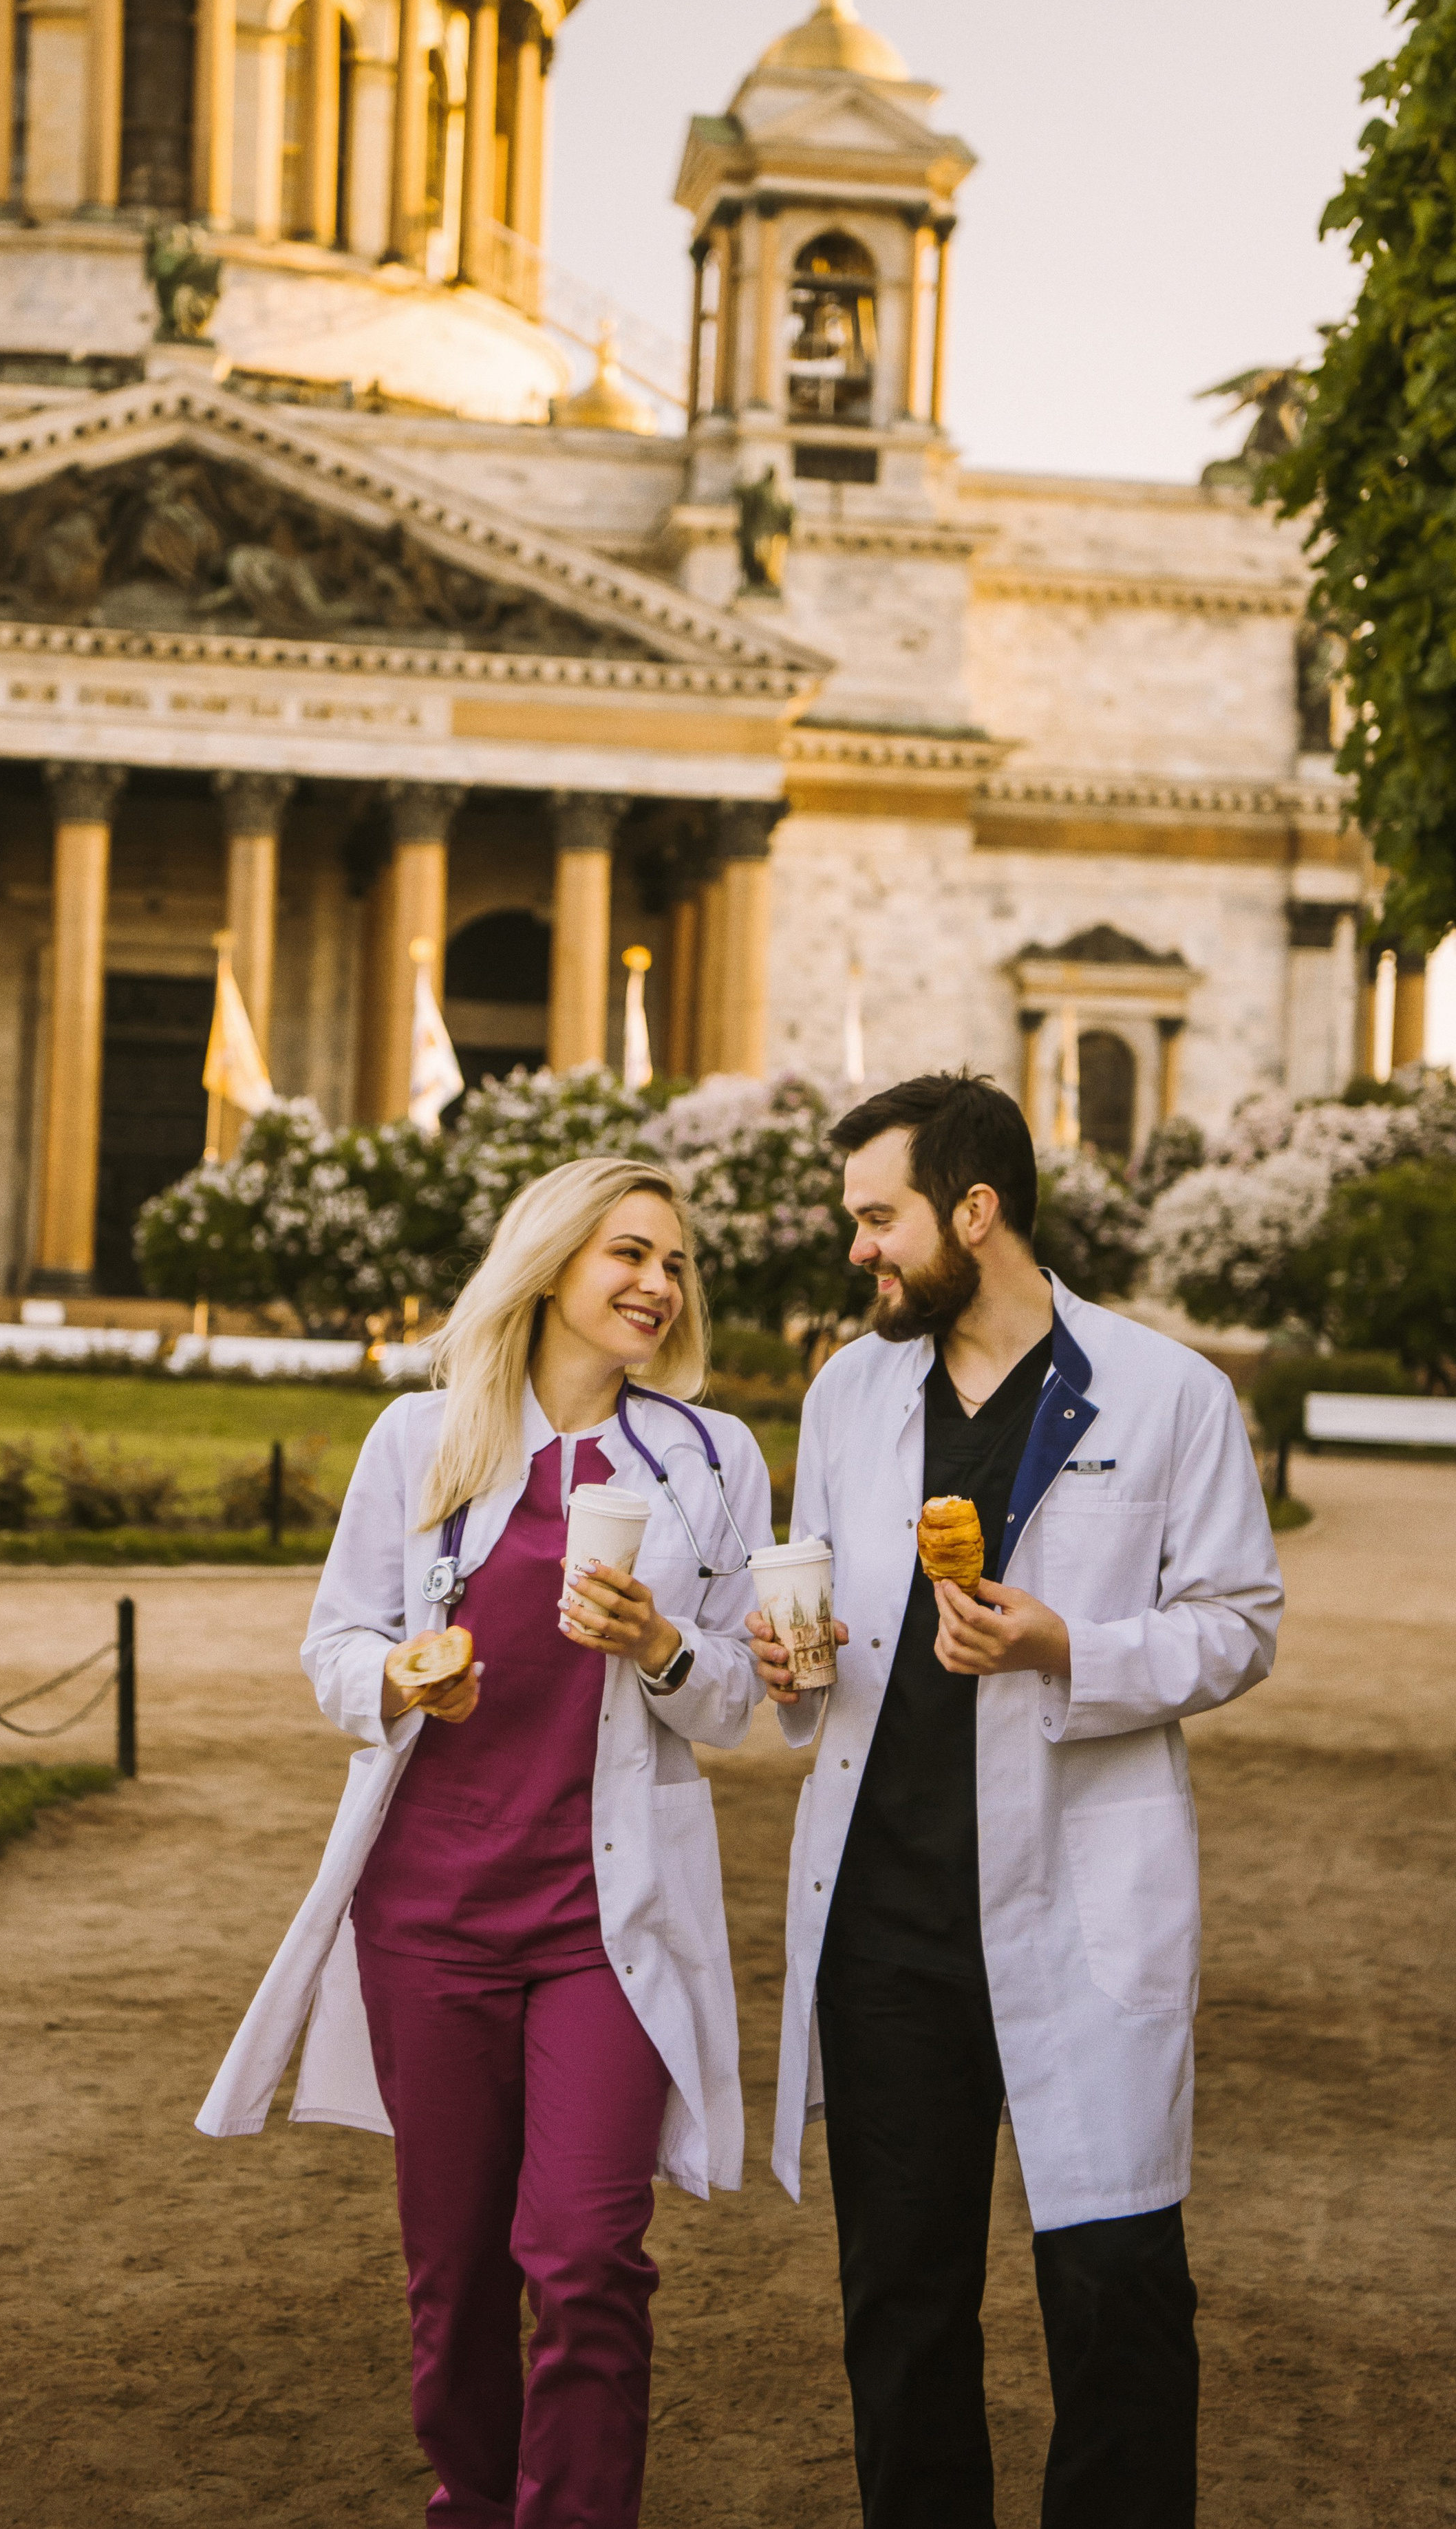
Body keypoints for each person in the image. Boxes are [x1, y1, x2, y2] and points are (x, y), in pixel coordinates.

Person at [197, 1157, 772, 2529]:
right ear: (551, 1263)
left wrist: (660, 1643)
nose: (656, 1282)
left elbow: (737, 1702)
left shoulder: (708, 1457)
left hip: (600, 1926)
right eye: (628, 1251)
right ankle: (471, 2495)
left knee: (584, 2255)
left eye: (675, 1262)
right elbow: (335, 1641)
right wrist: (398, 1676)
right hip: (431, 1919)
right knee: (452, 2278)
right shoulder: (422, 1438)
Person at [750, 1071, 1281, 2529]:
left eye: (879, 1217)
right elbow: (819, 1621)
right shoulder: (850, 1392)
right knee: (902, 2310)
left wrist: (1067, 1646)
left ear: (971, 1212)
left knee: (1114, 2296)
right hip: (886, 1928)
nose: (857, 1248)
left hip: (1077, 1907)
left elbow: (1238, 1620)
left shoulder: (1163, 1392)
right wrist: (786, 1656)